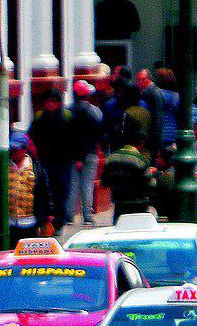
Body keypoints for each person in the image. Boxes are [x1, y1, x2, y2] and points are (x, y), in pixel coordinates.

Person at [29, 89, 77, 233]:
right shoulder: (39, 117)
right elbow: (31, 137)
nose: (50, 104)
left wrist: (75, 157)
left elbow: (76, 138)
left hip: (63, 162)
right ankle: (45, 220)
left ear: (59, 103)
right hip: (44, 160)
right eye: (48, 101)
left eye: (53, 102)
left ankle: (59, 222)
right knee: (44, 190)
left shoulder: (67, 117)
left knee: (61, 191)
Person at [69, 80, 104, 226]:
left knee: (73, 185)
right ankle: (87, 216)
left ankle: (69, 216)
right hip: (91, 152)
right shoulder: (95, 111)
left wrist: (77, 156)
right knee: (87, 184)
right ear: (87, 94)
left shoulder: (68, 111)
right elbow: (100, 132)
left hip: (72, 154)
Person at [100, 132, 155, 220]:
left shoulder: (111, 158)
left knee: (119, 225)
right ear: (142, 143)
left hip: (119, 203)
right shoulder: (141, 160)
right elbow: (150, 185)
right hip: (138, 204)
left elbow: (104, 181)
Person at [8, 130, 47, 245]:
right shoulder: (6, 166)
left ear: (24, 149)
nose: (13, 152)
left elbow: (44, 191)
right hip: (10, 222)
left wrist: (46, 215)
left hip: (29, 222)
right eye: (12, 149)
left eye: (16, 149)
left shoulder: (35, 167)